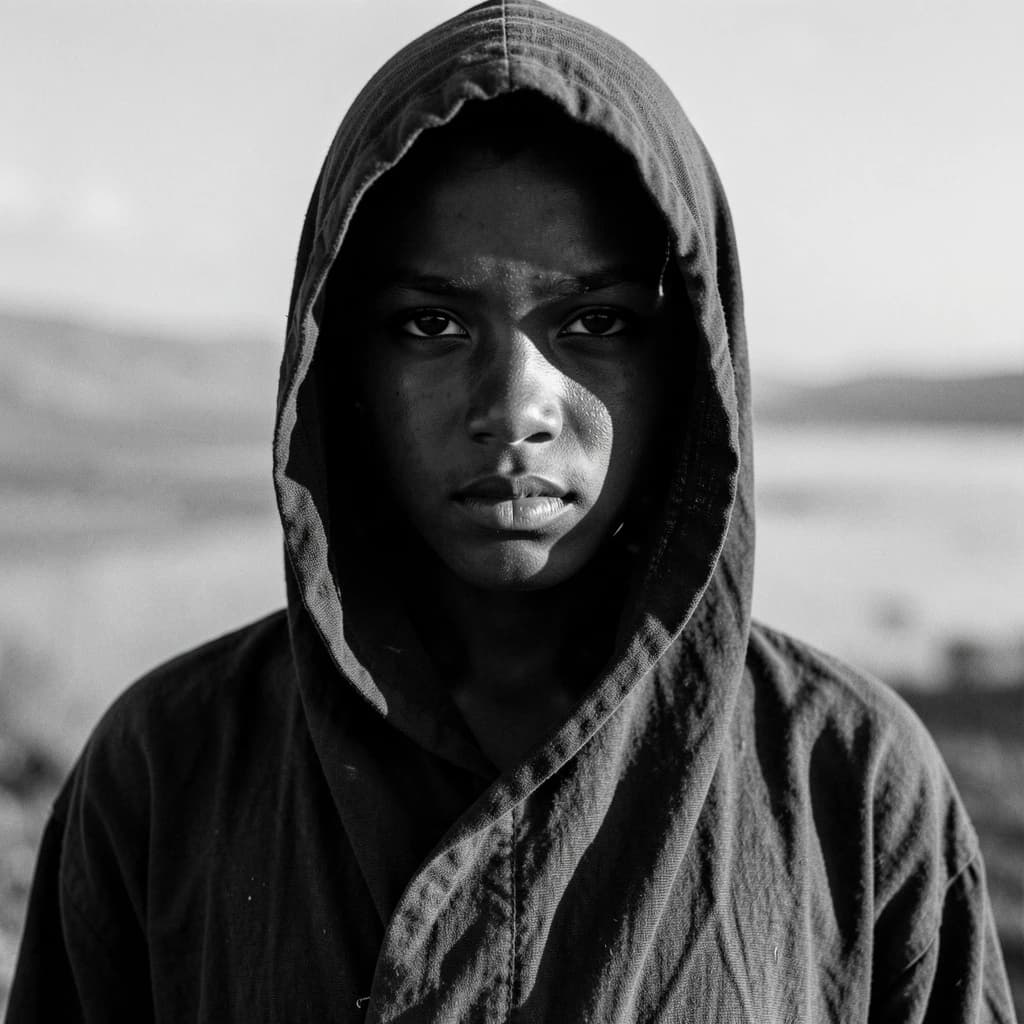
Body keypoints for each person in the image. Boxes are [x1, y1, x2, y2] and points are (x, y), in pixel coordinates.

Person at [6, 2, 1016, 1021]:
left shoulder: (848, 780)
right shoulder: (168, 769)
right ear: (342, 363)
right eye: (433, 323)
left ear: (687, 370)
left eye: (593, 322)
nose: (513, 409)